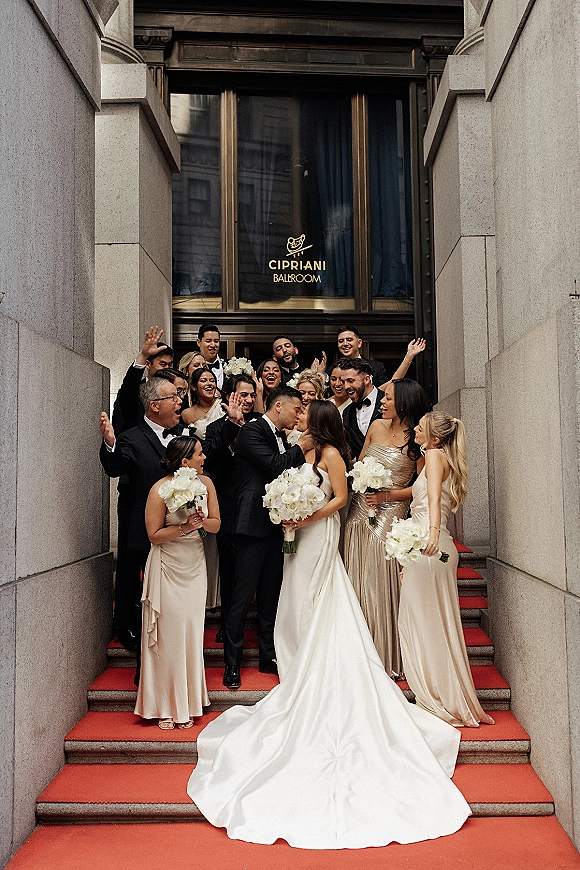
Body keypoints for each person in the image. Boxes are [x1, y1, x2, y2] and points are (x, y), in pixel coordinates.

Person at [187, 400, 471, 849]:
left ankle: (317, 667)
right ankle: (298, 661)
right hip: (297, 536)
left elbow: (340, 500)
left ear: (318, 421)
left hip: (319, 535)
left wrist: (307, 516)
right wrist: (286, 511)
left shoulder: (335, 455)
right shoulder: (305, 450)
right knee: (295, 602)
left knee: (319, 601)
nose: (298, 418)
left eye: (304, 414)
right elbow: (289, 482)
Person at [398, 411, 495, 728]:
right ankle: (439, 693)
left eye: (421, 426)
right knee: (426, 623)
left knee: (427, 625)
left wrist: (433, 535)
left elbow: (435, 502)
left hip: (432, 548)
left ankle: (439, 697)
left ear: (435, 438)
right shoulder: (433, 457)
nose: (415, 428)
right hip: (426, 549)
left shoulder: (436, 456)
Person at [222, 386, 310, 689]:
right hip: (251, 526)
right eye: (297, 409)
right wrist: (304, 446)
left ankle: (267, 654)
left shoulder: (281, 436)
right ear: (280, 406)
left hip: (276, 525)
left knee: (271, 595)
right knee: (242, 596)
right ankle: (232, 663)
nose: (299, 414)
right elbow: (274, 466)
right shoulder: (252, 431)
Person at [343, 379, 431, 678]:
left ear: (404, 403)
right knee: (356, 576)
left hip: (391, 514)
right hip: (360, 510)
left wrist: (387, 495)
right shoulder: (378, 427)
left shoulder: (418, 438)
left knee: (379, 580)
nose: (382, 401)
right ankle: (356, 651)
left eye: (388, 398)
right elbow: (360, 462)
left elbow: (420, 488)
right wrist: (361, 480)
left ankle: (384, 652)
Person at [135, 436, 220, 729]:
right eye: (199, 454)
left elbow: (216, 524)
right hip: (167, 565)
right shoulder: (159, 490)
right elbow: (154, 535)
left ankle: (190, 702)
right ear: (184, 462)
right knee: (169, 637)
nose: (204, 458)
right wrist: (184, 527)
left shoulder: (206, 485)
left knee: (191, 634)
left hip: (195, 566)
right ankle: (165, 705)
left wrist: (200, 521)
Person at [99, 378, 184, 668]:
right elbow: (116, 466)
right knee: (141, 582)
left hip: (178, 529)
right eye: (174, 397)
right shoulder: (131, 438)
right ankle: (134, 631)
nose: (179, 402)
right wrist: (110, 444)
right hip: (143, 527)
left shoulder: (181, 435)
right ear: (154, 405)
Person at [203, 375, 261, 643]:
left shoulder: (262, 426)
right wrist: (232, 424)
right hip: (226, 509)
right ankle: (227, 625)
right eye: (242, 395)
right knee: (228, 571)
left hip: (257, 511)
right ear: (229, 397)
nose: (247, 400)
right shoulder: (216, 428)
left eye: (251, 395)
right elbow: (211, 457)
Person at [339, 339, 426, 459]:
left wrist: (409, 356)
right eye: (343, 382)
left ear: (367, 379)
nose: (345, 386)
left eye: (350, 381)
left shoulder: (390, 401)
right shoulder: (347, 412)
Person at [181, 367, 224, 437]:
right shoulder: (186, 414)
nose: (209, 384)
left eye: (212, 381)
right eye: (203, 381)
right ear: (194, 386)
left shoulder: (224, 405)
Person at [196, 323, 224, 389]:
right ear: (198, 342)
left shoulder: (229, 365)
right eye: (208, 341)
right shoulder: (193, 367)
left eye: (216, 341)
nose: (213, 345)